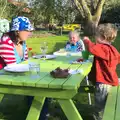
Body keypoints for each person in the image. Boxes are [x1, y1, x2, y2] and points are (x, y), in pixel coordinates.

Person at [83, 23, 120, 120]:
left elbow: (92, 48)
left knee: (100, 108)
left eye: (96, 35)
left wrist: (87, 41)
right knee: (108, 105)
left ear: (103, 37)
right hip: (111, 81)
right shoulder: (112, 49)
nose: (95, 38)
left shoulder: (102, 48)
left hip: (103, 83)